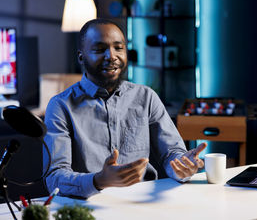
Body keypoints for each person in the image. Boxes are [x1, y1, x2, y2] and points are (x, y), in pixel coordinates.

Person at [43, 18, 206, 198]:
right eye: (99, 49)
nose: (111, 56)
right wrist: (99, 180)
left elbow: (171, 153)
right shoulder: (60, 106)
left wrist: (182, 167)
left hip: (143, 204)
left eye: (118, 48)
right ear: (81, 56)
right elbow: (54, 178)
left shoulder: (146, 97)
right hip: (89, 207)